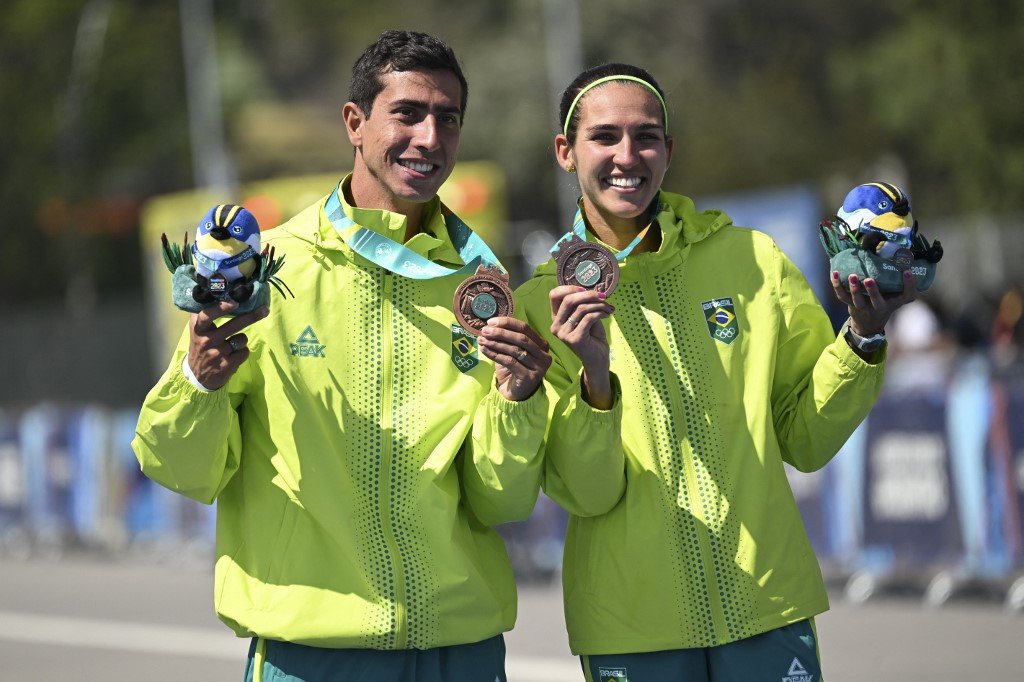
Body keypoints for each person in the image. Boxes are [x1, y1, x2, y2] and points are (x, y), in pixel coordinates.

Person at [133, 30, 555, 682]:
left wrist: (517, 402)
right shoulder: (269, 270)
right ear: (355, 123)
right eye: (408, 113)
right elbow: (180, 468)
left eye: (448, 119)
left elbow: (499, 500)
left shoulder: (483, 288)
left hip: (460, 650)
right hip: (313, 656)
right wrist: (197, 382)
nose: (430, 137)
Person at [514, 63, 920, 681]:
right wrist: (595, 377)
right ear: (566, 152)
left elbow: (806, 441)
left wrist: (862, 337)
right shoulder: (539, 306)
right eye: (605, 137)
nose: (628, 155)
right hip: (632, 630)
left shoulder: (752, 261)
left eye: (646, 136)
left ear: (669, 150)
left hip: (766, 610)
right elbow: (587, 492)